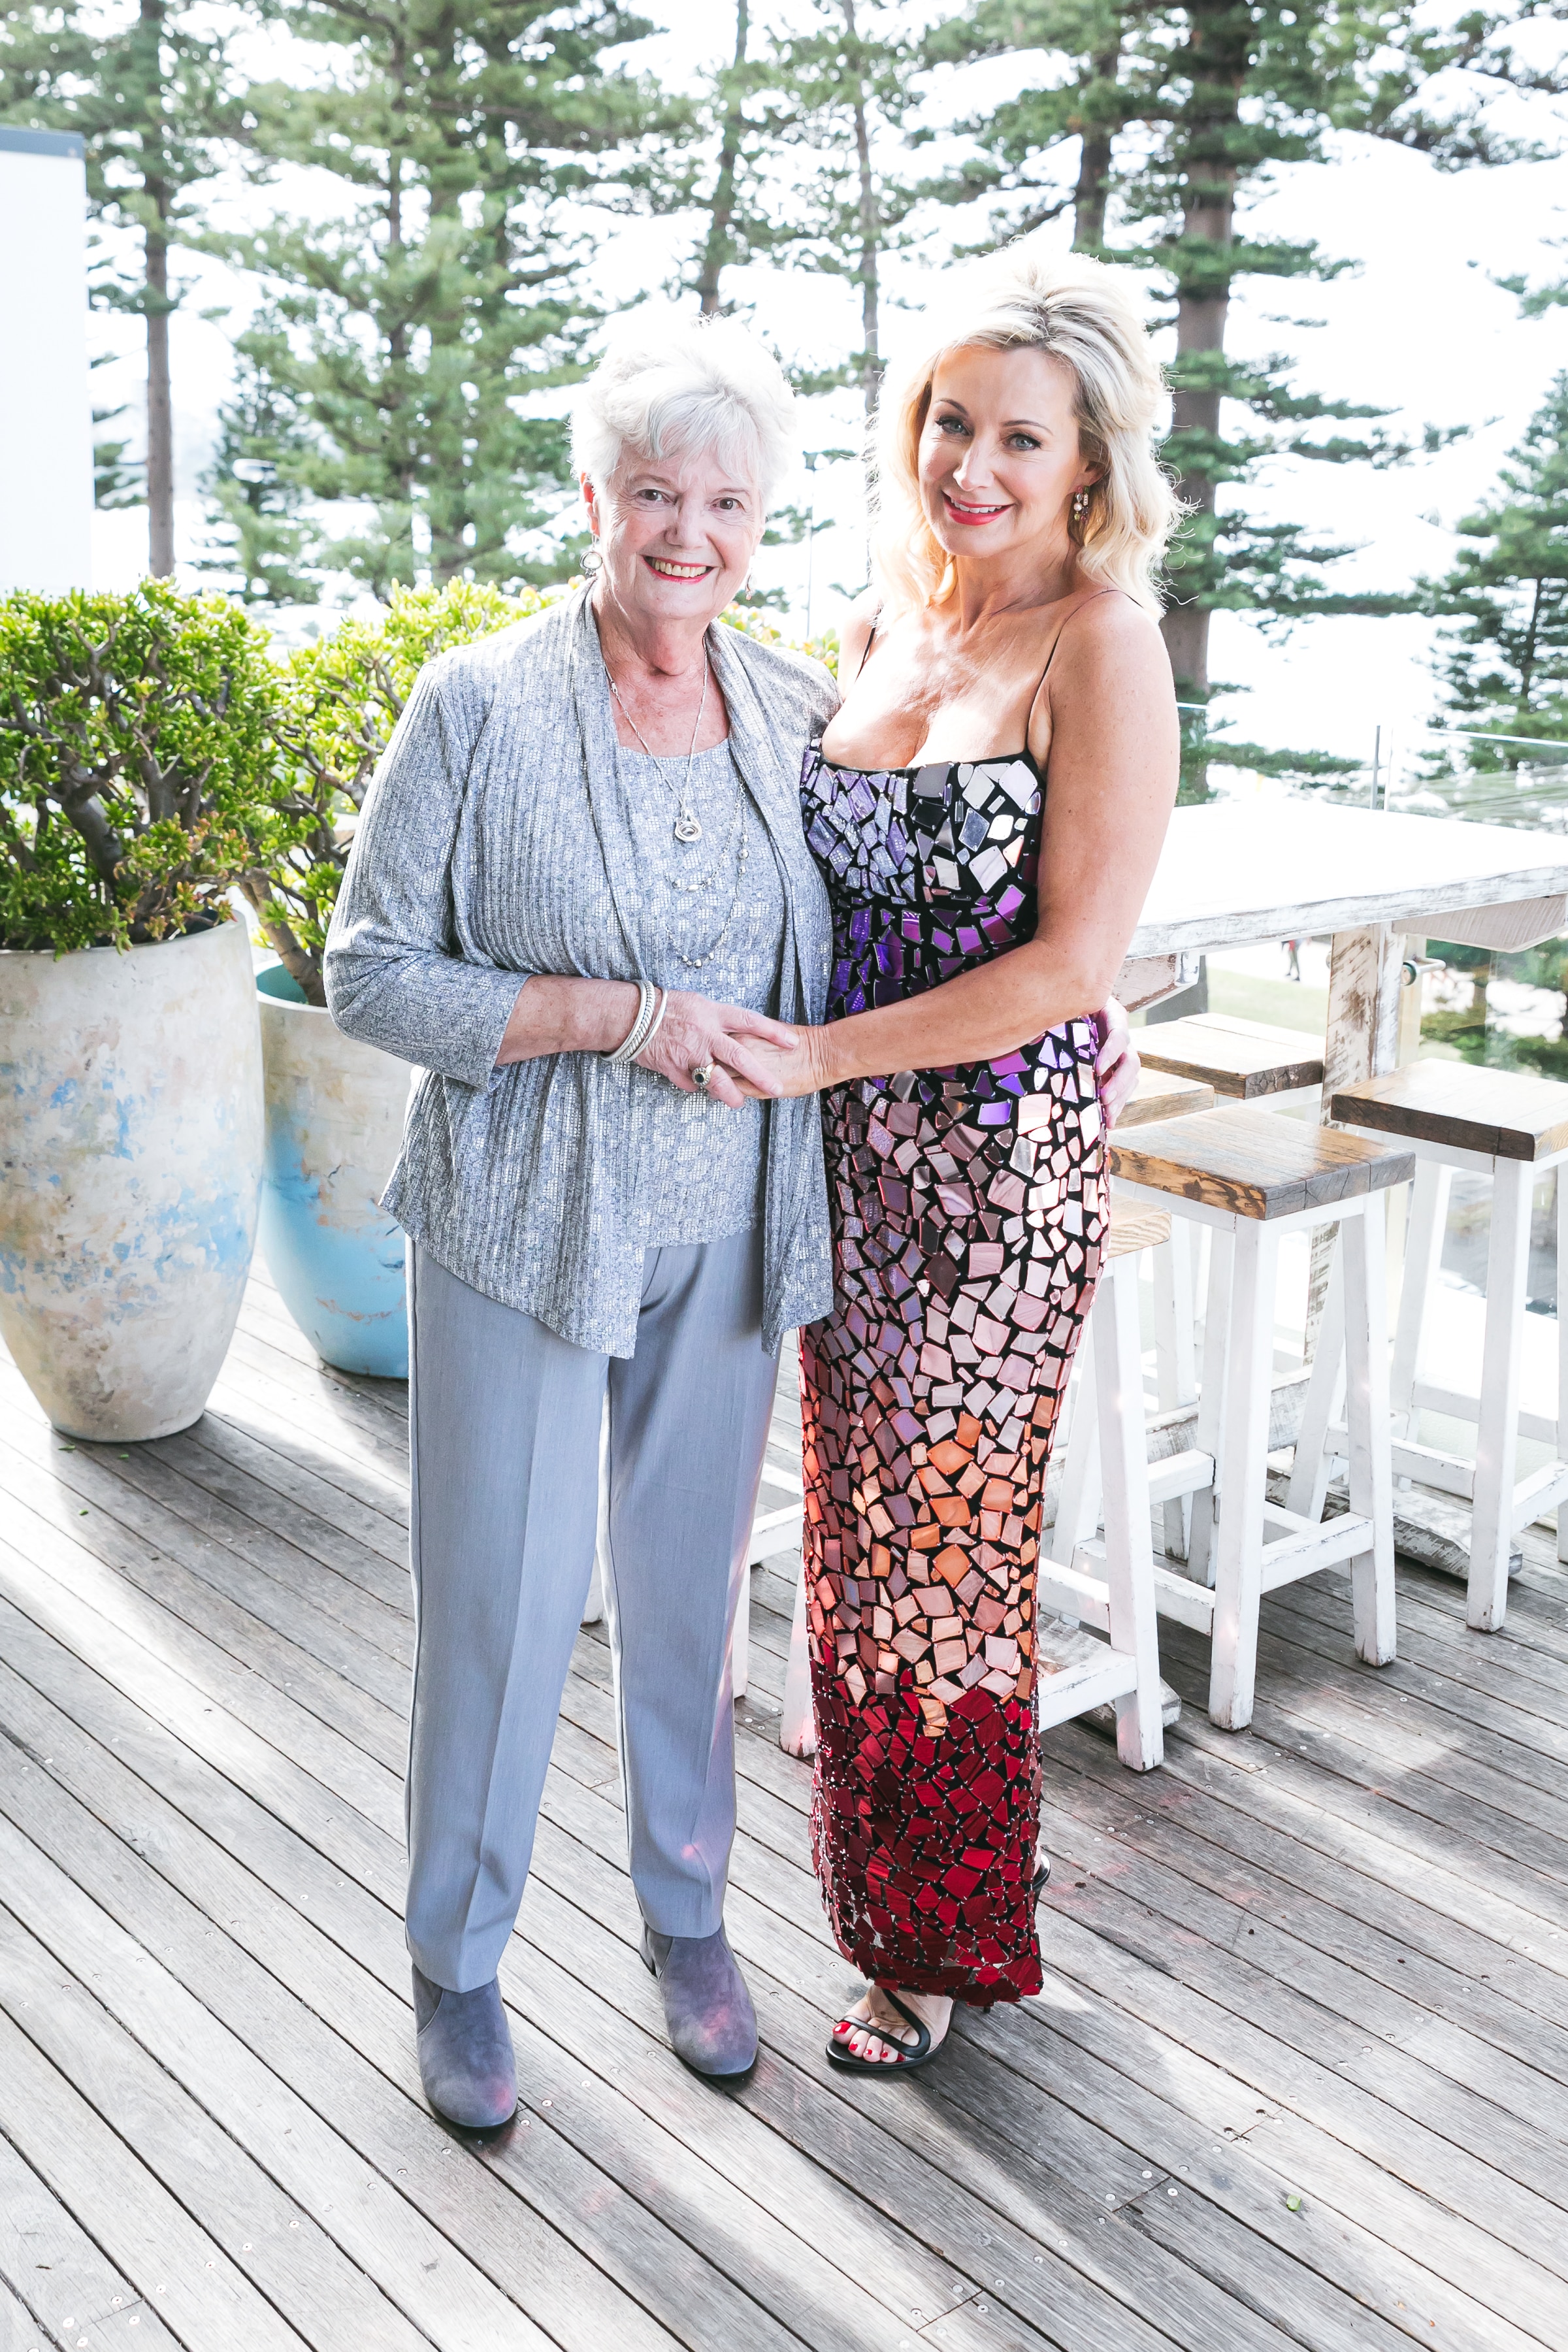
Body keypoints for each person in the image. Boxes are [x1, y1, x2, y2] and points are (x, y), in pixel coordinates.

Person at [325, 316, 845, 2125]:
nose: (686, 532)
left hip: (728, 1224)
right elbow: (368, 975)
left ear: (761, 518)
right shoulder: (476, 703)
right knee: (503, 1602)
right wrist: (618, 1017)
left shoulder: (794, 707)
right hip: (522, 1224)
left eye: (725, 500)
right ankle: (457, 1961)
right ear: (593, 498)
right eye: (653, 493)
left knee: (694, 1599)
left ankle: (687, 1912)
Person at [740, 241, 1181, 2071]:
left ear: (1089, 467)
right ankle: (876, 1902)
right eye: (947, 421)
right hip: (843, 1155)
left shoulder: (1104, 639)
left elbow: (1077, 962)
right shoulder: (883, 626)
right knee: (853, 1535)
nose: (972, 466)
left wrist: (822, 1057)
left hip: (996, 1175)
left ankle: (943, 1945)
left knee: (947, 1548)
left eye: (1018, 437)